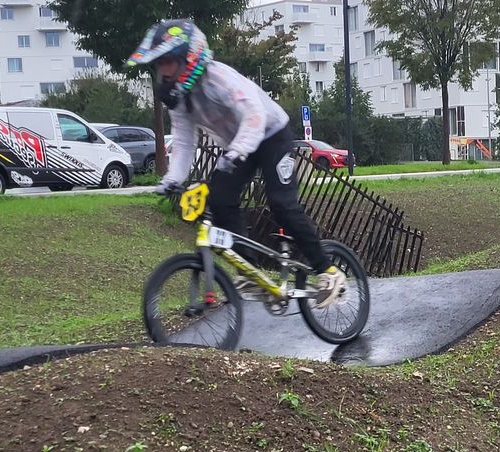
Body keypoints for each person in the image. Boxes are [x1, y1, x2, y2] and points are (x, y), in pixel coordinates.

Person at [127, 19, 345, 307]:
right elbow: (183, 141)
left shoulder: (219, 79)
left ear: (188, 59)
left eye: (167, 62)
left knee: (282, 205)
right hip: (239, 147)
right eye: (158, 65)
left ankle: (327, 271)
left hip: (270, 135)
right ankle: (251, 270)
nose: (162, 71)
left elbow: (253, 115)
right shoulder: (180, 100)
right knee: (220, 200)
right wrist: (172, 179)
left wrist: (237, 152)